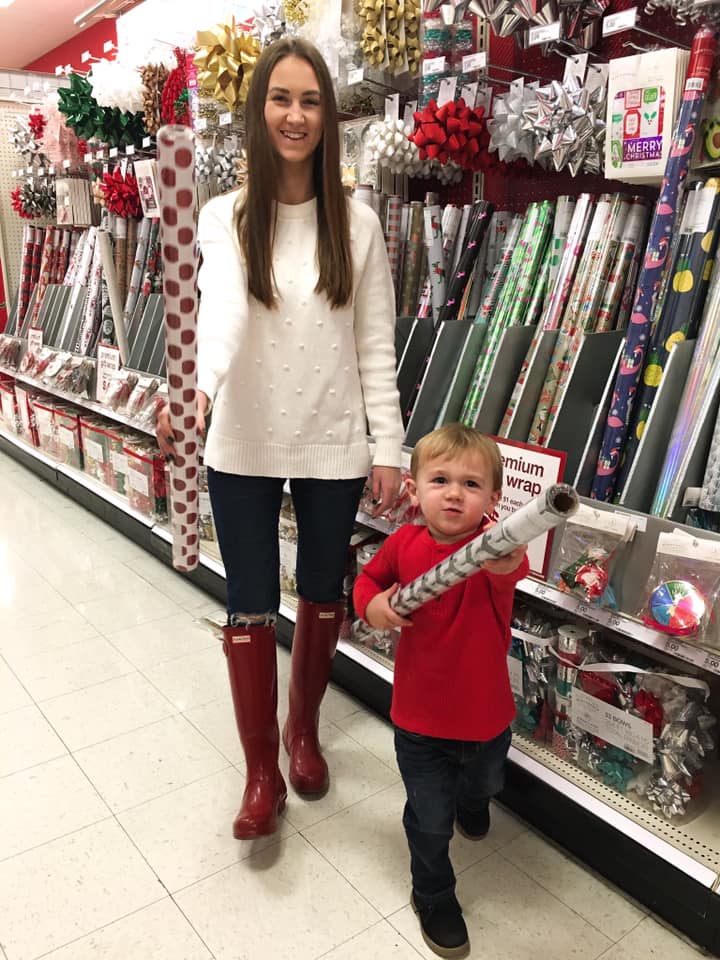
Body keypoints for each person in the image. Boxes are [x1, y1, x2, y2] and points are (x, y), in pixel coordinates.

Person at [155, 37, 404, 840]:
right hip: (242, 443)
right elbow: (222, 312)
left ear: (327, 116)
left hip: (333, 443)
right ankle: (260, 768)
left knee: (324, 597)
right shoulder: (226, 217)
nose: (295, 115)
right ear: (259, 111)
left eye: (309, 101)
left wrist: (390, 446)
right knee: (251, 604)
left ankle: (305, 732)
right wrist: (197, 389)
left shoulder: (359, 223)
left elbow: (374, 344)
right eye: (280, 99)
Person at [353, 424, 528, 959]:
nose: (454, 493)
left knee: (485, 783)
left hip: (487, 718)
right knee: (429, 820)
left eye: (471, 485)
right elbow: (366, 582)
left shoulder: (493, 551)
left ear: (493, 500)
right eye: (441, 480)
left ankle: (473, 799)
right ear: (414, 487)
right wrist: (373, 606)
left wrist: (501, 553)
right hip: (420, 722)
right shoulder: (404, 542)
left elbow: (509, 566)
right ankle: (432, 893)